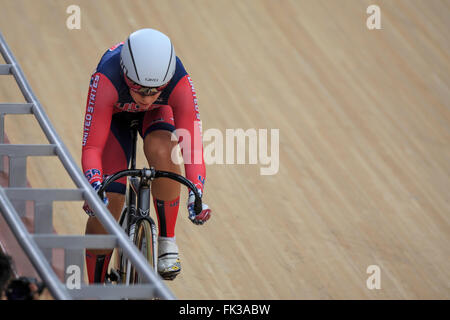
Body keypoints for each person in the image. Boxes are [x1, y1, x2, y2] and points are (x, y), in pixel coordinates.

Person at [81, 28, 211, 283]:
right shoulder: (106, 78)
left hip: (159, 116)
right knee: (108, 204)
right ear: (126, 76)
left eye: (156, 91)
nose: (148, 99)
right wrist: (95, 184)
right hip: (114, 119)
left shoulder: (179, 81)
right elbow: (92, 148)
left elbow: (192, 146)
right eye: (141, 91)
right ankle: (94, 290)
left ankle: (167, 242)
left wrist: (196, 193)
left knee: (163, 150)